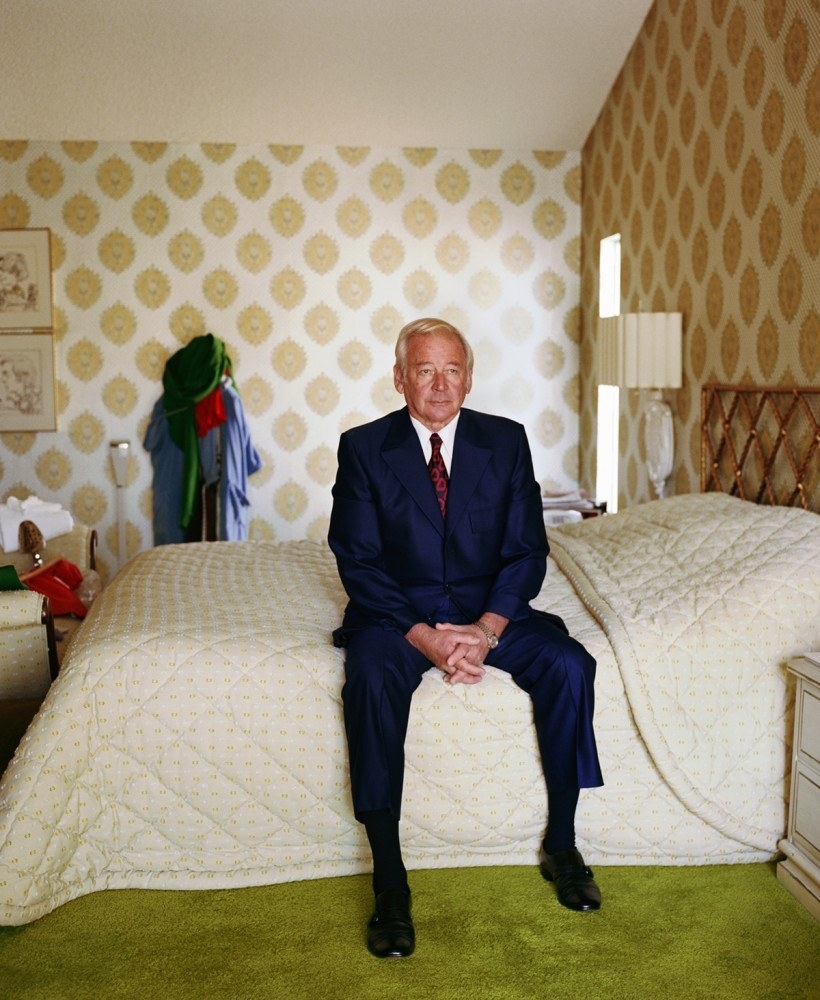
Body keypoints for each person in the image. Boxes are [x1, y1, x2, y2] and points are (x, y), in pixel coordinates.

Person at [328, 318, 603, 959]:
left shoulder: (505, 442)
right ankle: (390, 882)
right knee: (368, 679)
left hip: (491, 613)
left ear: (470, 377)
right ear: (400, 379)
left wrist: (484, 631)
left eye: (453, 369)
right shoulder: (364, 448)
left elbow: (528, 551)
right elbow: (358, 560)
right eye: (424, 369)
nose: (440, 384)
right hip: (397, 615)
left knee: (570, 665)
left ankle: (562, 844)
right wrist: (425, 638)